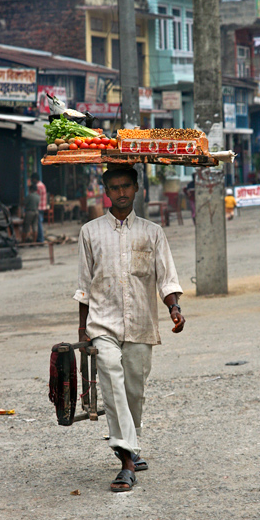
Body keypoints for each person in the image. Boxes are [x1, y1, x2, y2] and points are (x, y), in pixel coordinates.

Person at [74, 166, 185, 493]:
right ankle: (125, 461)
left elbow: (167, 278)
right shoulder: (90, 232)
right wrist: (82, 328)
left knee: (134, 390)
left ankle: (131, 445)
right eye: (115, 187)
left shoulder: (152, 233)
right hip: (102, 323)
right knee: (110, 376)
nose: (121, 192)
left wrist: (174, 308)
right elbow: (83, 285)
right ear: (106, 191)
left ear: (137, 189)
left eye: (126, 186)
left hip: (140, 323)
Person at [30, 172, 47, 242]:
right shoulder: (42, 185)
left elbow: (34, 196)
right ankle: (40, 238)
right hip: (42, 207)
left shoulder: (38, 186)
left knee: (38, 224)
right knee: (39, 223)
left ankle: (40, 239)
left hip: (39, 207)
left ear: (34, 179)